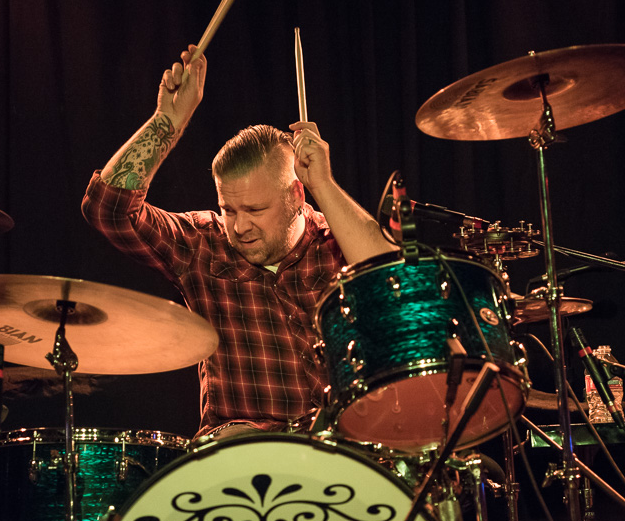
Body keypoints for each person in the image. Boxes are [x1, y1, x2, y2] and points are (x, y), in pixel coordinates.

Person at [83, 44, 396, 440]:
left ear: (297, 196)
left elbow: (392, 283)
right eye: (229, 209)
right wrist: (167, 121)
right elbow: (107, 209)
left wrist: (324, 184)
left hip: (343, 447)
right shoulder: (201, 245)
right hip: (240, 455)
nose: (239, 226)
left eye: (255, 210)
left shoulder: (337, 242)